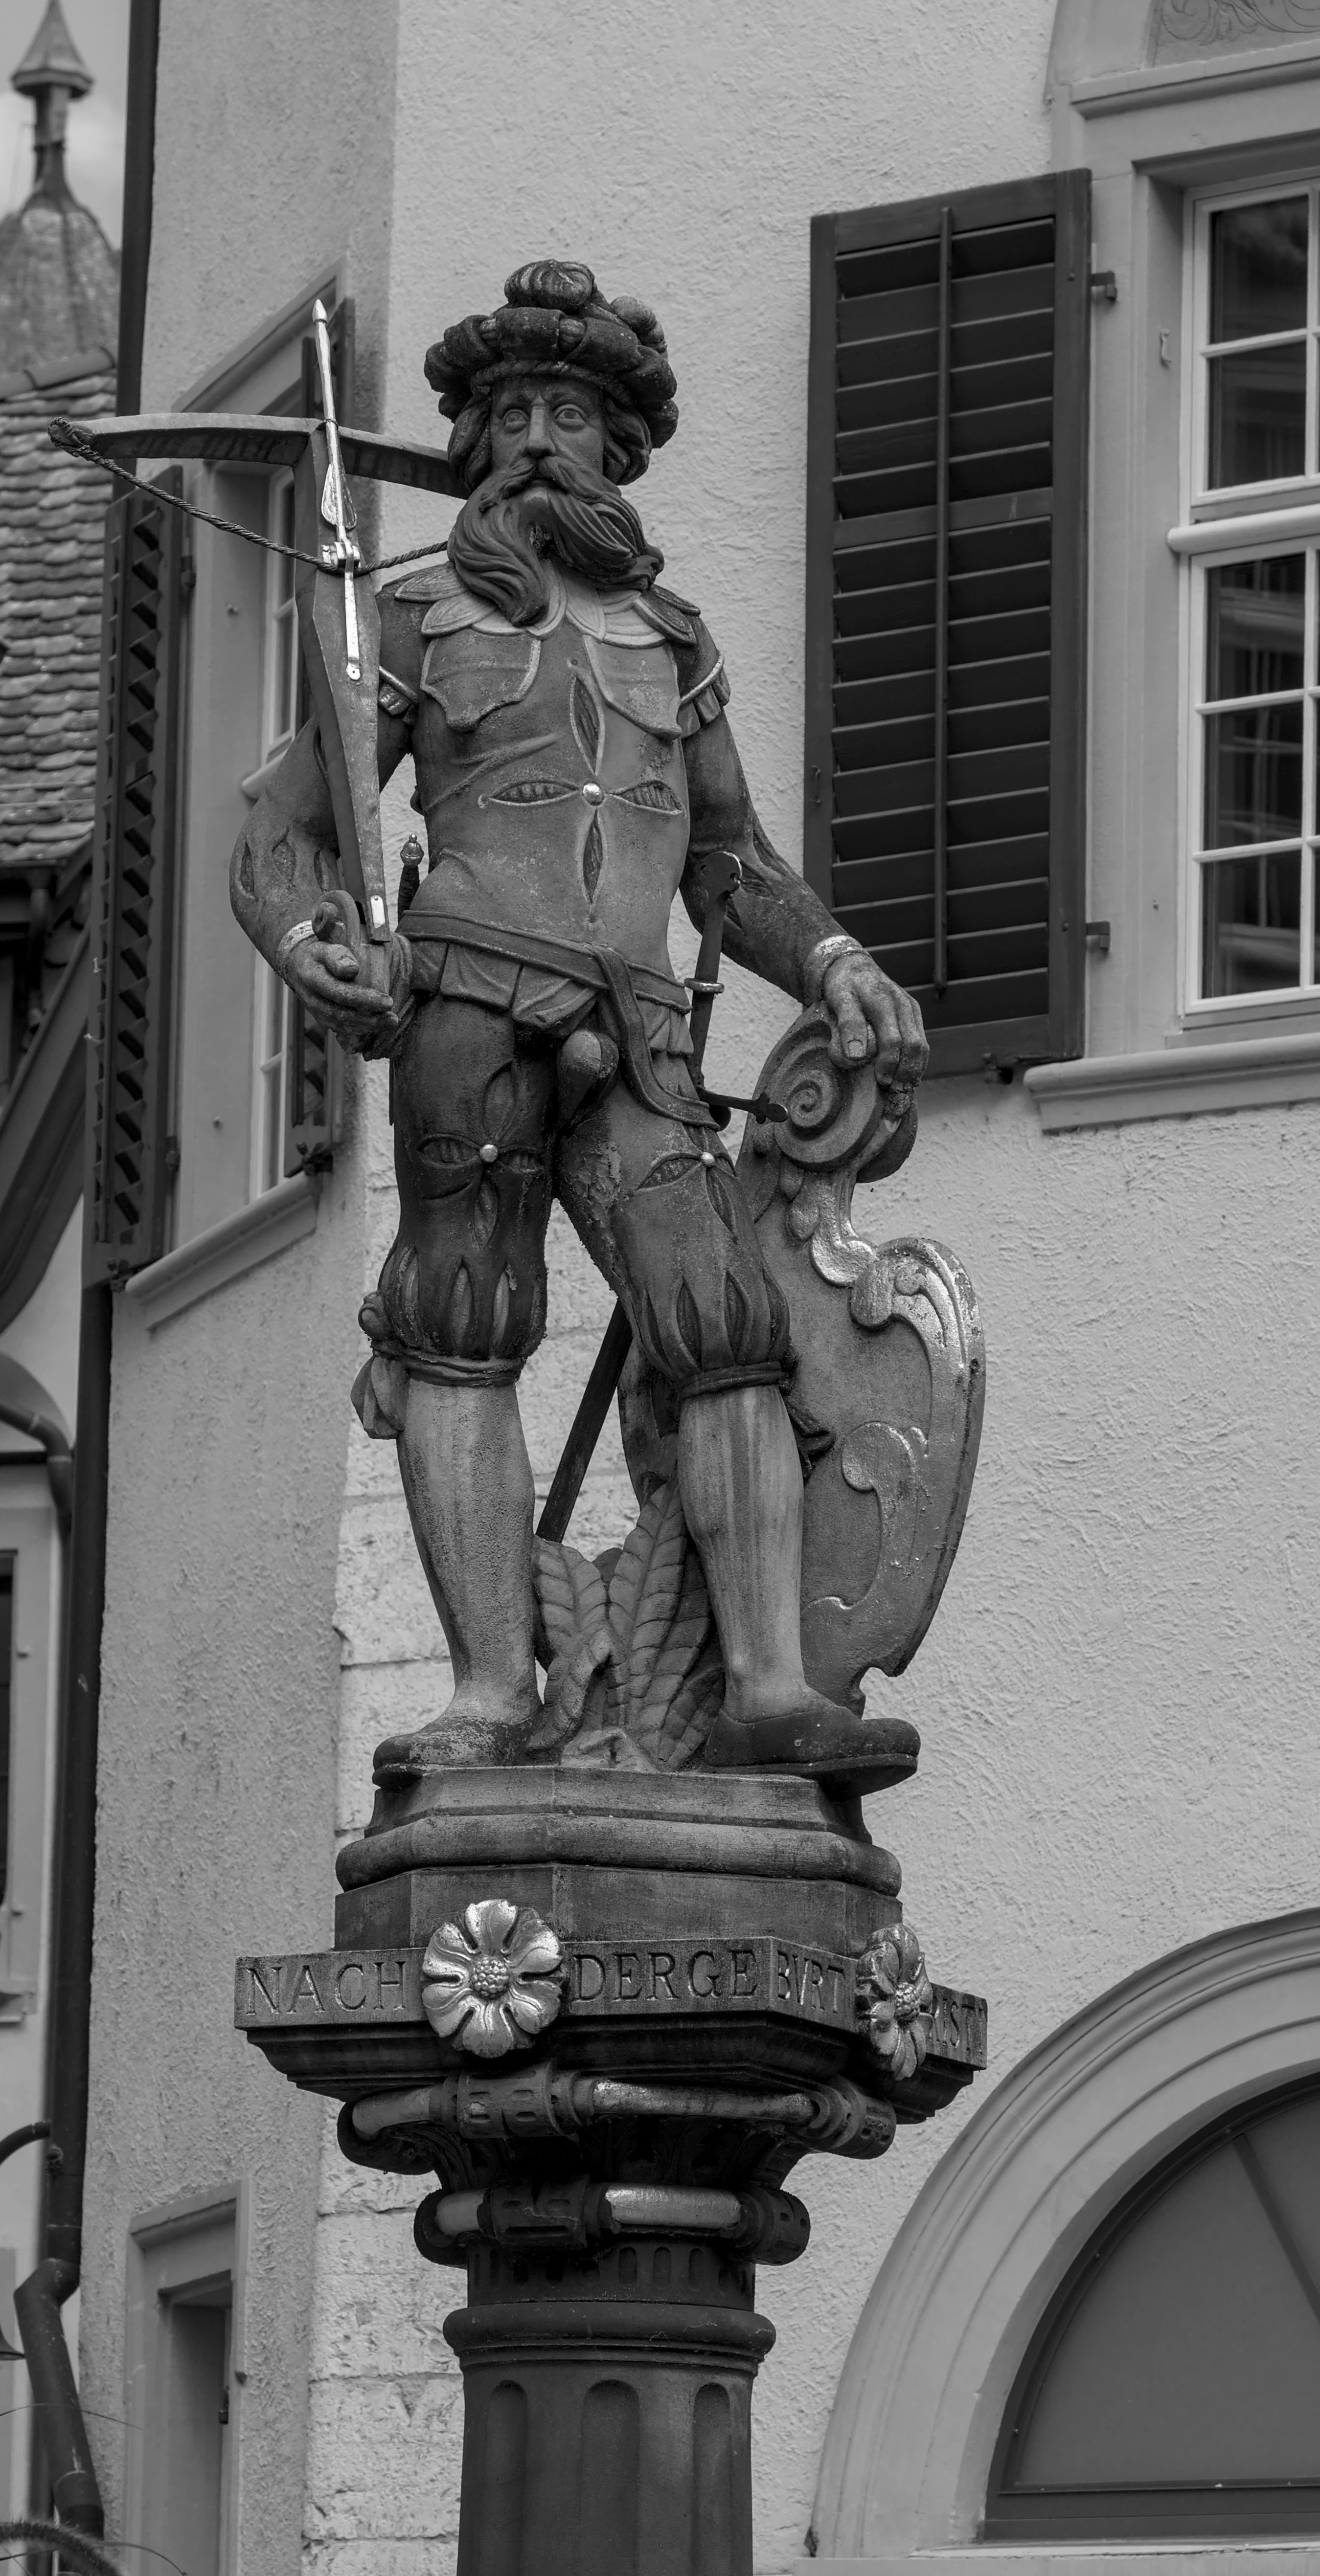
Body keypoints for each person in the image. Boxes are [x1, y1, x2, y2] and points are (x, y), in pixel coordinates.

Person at [230, 260, 928, 1784]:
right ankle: (488, 1691)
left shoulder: (676, 645)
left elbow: (733, 866)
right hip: (467, 1008)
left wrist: (833, 962)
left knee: (727, 1332)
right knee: (462, 1332)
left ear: (621, 452)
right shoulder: (409, 622)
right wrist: (309, 938)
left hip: (640, 1033)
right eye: (515, 414)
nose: (543, 440)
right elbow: (275, 838)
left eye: (575, 416)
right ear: (476, 447)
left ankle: (766, 1688)